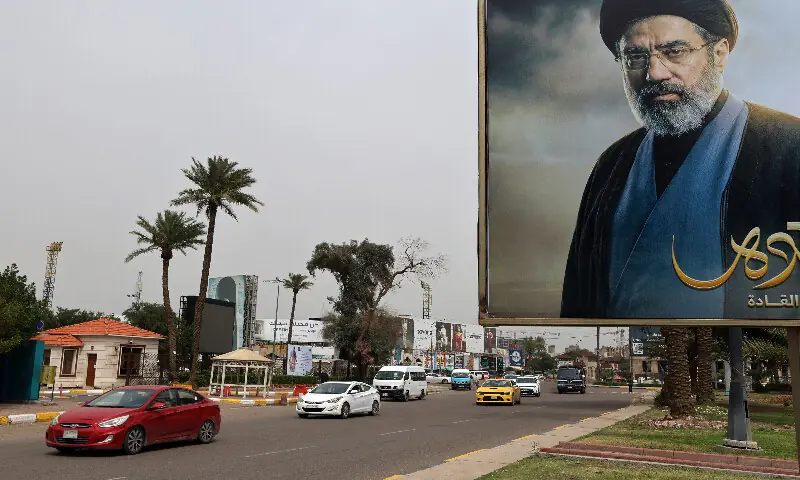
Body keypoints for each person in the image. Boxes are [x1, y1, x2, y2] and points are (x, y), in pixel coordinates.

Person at [561, 0, 800, 320]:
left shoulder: (790, 148)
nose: (654, 73)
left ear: (719, 54)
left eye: (674, 52)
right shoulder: (611, 167)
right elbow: (578, 303)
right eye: (635, 57)